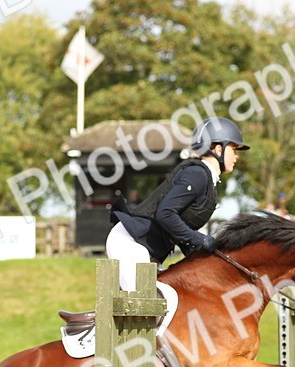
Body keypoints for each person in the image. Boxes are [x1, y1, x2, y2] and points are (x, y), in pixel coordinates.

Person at [107, 116, 249, 291]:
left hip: (145, 249)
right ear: (219, 149)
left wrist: (204, 257)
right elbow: (165, 214)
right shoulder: (197, 174)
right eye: (234, 150)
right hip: (129, 242)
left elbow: (179, 230)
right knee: (142, 306)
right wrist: (200, 240)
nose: (236, 156)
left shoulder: (207, 179)